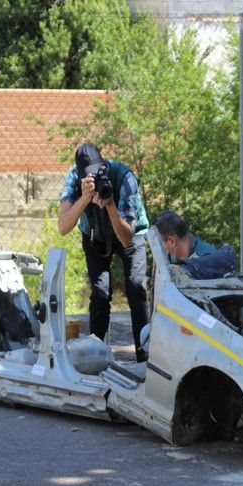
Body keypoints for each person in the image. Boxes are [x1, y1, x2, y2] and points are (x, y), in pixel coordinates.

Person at [57, 143, 149, 360]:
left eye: (98, 173)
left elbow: (127, 239)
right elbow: (63, 227)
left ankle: (145, 357)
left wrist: (109, 206)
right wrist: (84, 198)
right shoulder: (72, 178)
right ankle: (95, 357)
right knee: (99, 294)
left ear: (104, 164)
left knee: (136, 289)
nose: (95, 180)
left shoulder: (124, 176)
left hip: (128, 231)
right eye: (88, 178)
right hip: (94, 235)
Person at [154, 210, 236, 280]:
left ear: (171, 241)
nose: (163, 248)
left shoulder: (208, 260)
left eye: (162, 243)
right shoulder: (170, 259)